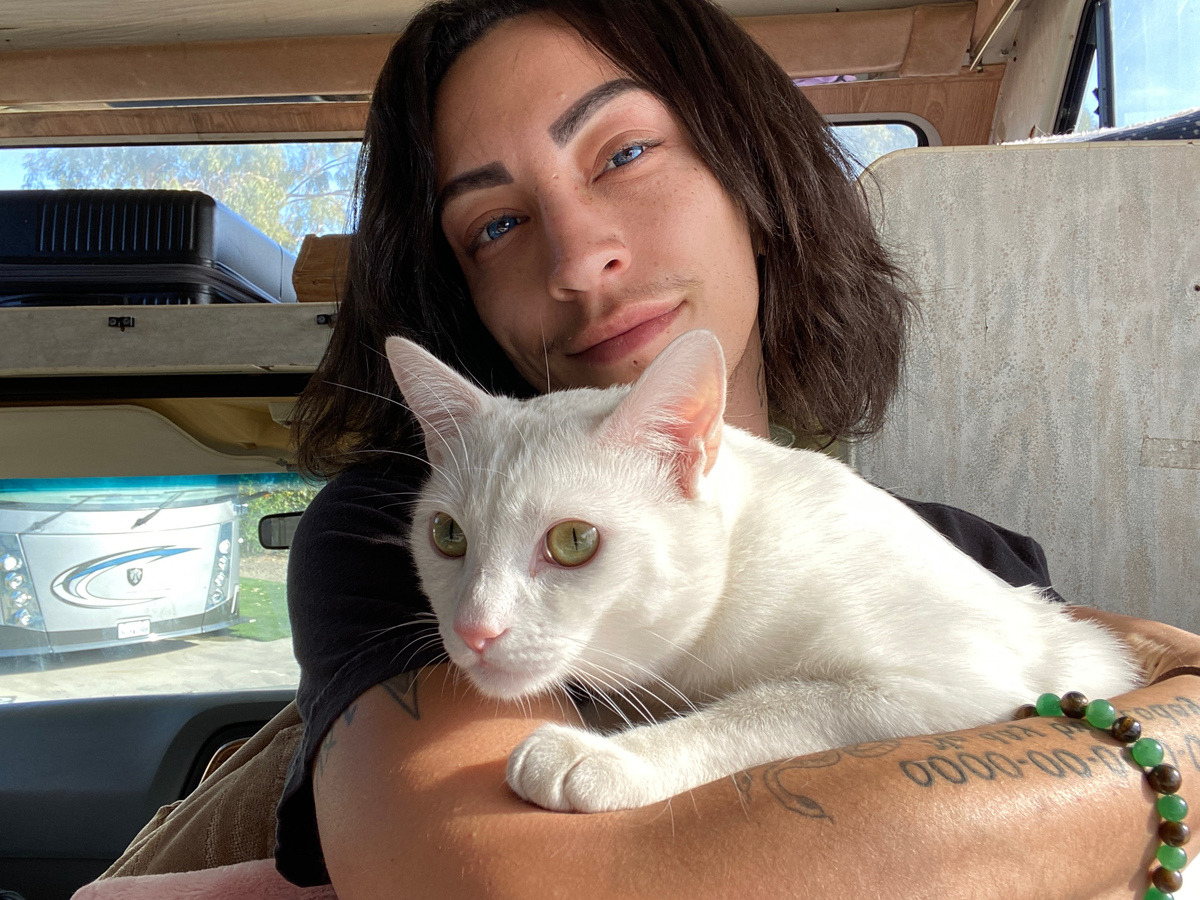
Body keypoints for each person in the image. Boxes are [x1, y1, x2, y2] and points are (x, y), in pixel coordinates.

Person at [277, 0, 1200, 897]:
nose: (578, 259)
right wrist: (1170, 748)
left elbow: (969, 692)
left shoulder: (975, 551)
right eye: (497, 224)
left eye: (624, 154)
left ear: (750, 169)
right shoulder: (382, 536)